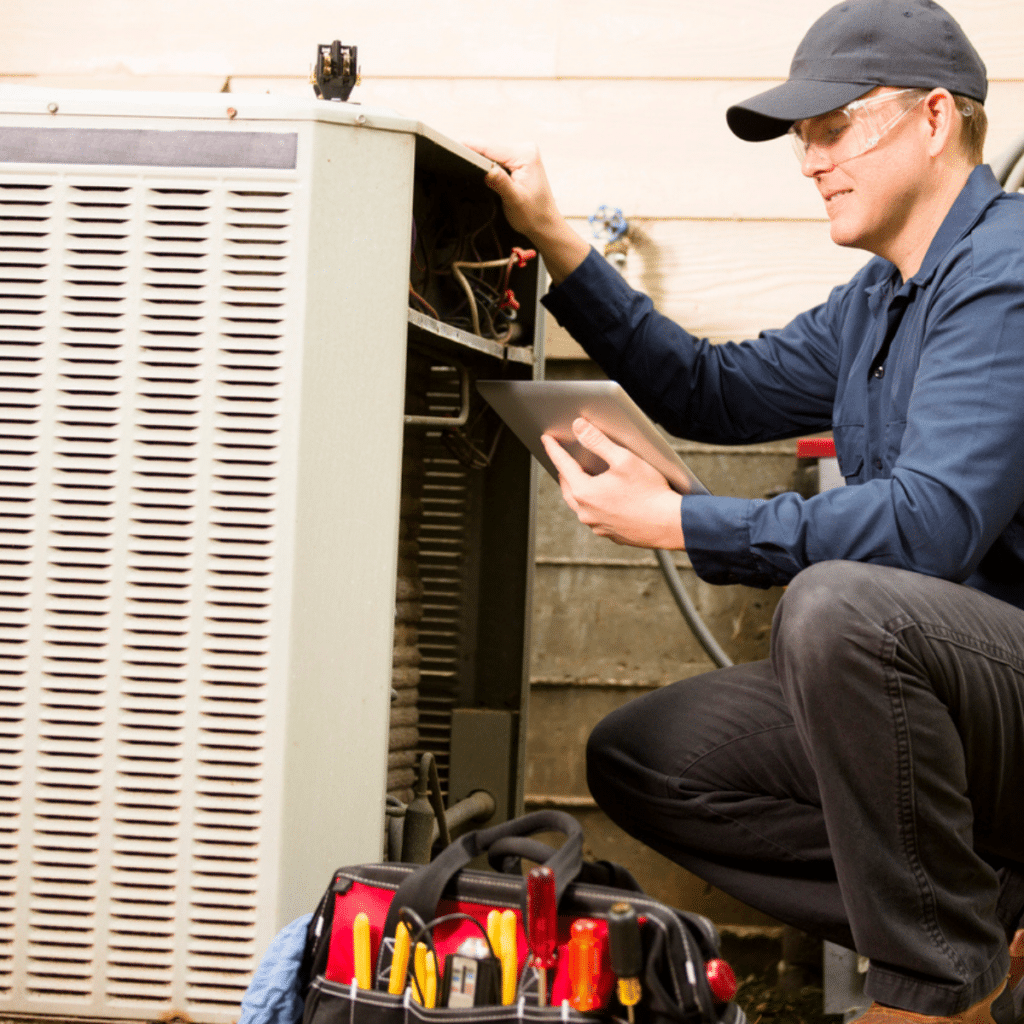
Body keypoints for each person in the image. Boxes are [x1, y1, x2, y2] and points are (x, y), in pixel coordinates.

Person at [469, 1, 1024, 1023]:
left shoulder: (1007, 275)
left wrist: (689, 524)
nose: (807, 159)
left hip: (1006, 690)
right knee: (649, 755)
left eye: (830, 127)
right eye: (799, 139)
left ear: (935, 118)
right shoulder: (877, 299)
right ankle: (981, 920)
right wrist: (553, 240)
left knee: (840, 610)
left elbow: (934, 523)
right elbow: (710, 392)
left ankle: (934, 992)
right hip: (941, 703)